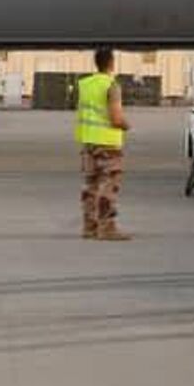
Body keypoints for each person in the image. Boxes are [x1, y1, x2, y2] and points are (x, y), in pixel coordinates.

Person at [75, 47, 131, 241]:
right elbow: (116, 118)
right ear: (111, 63)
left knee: (90, 185)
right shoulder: (111, 85)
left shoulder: (85, 84)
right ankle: (106, 227)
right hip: (107, 143)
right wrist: (126, 125)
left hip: (88, 141)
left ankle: (89, 227)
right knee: (109, 185)